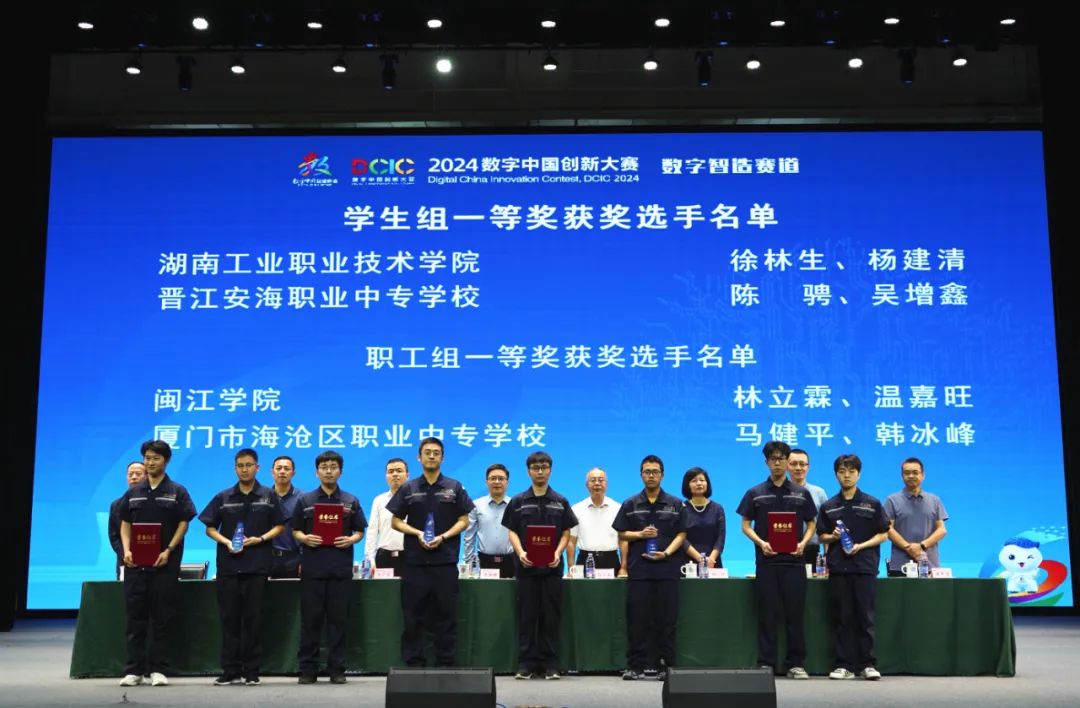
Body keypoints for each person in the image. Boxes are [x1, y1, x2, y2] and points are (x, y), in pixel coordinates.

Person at [198, 448, 286, 686]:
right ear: (235, 468)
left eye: (249, 465)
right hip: (229, 567)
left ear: (257, 467)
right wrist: (226, 542)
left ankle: (252, 670)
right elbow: (209, 527)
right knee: (229, 620)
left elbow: (280, 526)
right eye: (240, 465)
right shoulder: (223, 496)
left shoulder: (269, 495)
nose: (244, 469)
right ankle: (230, 670)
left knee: (253, 620)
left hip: (257, 567)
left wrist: (260, 539)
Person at [387, 437, 474, 667]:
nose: (432, 456)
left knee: (446, 616)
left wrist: (443, 536)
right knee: (412, 616)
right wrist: (417, 533)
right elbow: (395, 521)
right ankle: (414, 663)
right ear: (419, 457)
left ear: (442, 458)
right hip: (415, 564)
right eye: (427, 452)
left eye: (436, 452)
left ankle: (445, 663)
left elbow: (464, 520)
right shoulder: (408, 488)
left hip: (445, 563)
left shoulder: (454, 487)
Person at [117, 440, 196, 687]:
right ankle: (134, 670)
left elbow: (184, 523)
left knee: (162, 618)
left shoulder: (177, 491)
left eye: (156, 458)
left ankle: (158, 669)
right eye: (148, 458)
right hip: (135, 567)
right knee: (135, 619)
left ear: (166, 460)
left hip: (164, 566)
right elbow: (125, 523)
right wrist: (126, 550)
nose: (150, 462)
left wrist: (169, 550)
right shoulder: (133, 492)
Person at [736, 440, 817, 680]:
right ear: (767, 462)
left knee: (795, 615)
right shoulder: (755, 492)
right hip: (767, 563)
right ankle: (766, 663)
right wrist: (761, 543)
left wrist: (803, 543)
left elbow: (812, 523)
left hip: (794, 563)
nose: (778, 463)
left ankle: (796, 664)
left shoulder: (801, 493)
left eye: (782, 458)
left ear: (788, 462)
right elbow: (745, 525)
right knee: (767, 615)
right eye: (773, 459)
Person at [291, 451, 367, 684]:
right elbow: (295, 530)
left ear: (340, 471)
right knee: (310, 621)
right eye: (324, 467)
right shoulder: (305, 500)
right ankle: (308, 669)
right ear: (317, 472)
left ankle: (337, 669)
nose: (329, 471)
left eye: (333, 467)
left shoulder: (350, 500)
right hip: (312, 569)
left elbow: (360, 531)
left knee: (338, 621)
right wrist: (305, 538)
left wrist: (351, 540)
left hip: (340, 569)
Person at [502, 452, 577, 679]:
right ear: (528, 471)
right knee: (526, 617)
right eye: (536, 468)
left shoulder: (561, 501)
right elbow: (512, 531)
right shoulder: (518, 501)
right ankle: (526, 664)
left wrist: (557, 552)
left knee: (550, 617)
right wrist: (521, 552)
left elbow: (566, 532)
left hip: (552, 570)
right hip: (526, 569)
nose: (540, 471)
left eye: (544, 467)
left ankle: (550, 664)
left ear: (550, 470)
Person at [613, 455, 688, 681]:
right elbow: (621, 533)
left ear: (662, 475)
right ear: (641, 475)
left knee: (667, 620)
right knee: (637, 620)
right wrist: (640, 534)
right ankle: (635, 666)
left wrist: (666, 553)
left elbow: (682, 534)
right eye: (647, 472)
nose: (651, 475)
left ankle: (667, 666)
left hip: (667, 570)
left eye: (655, 472)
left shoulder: (675, 504)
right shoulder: (630, 504)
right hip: (640, 572)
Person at [817, 454, 890, 681]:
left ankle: (868, 664)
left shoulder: (872, 503)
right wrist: (832, 537)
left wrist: (862, 546)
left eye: (851, 471)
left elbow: (884, 534)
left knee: (865, 617)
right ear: (836, 475)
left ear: (859, 474)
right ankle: (843, 665)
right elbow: (821, 536)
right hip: (839, 569)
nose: (846, 475)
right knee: (842, 618)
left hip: (864, 568)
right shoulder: (829, 506)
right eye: (842, 471)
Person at [884, 457, 948, 576]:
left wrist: (922, 546)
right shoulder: (891, 500)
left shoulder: (935, 500)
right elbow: (888, 529)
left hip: (930, 565)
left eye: (915, 472)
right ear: (902, 476)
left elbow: (942, 530)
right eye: (907, 473)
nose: (911, 476)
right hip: (900, 565)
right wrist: (908, 547)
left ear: (923, 475)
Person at [567, 467, 625, 575]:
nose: (597, 483)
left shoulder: (618, 508)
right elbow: (571, 541)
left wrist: (624, 568)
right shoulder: (576, 509)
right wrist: (571, 568)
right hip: (584, 560)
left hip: (611, 560)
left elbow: (623, 541)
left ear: (606, 484)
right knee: (583, 587)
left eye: (601, 480)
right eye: (593, 480)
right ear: (586, 485)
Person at [463, 463, 516, 578]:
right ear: (487, 482)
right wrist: (468, 564)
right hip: (484, 561)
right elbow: (469, 537)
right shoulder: (476, 505)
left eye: (501, 478)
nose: (497, 482)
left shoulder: (515, 505)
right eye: (493, 478)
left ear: (507, 482)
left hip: (511, 561)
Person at [364, 457, 408, 576]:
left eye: (399, 471)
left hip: (410, 556)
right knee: (384, 588)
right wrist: (370, 559)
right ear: (386, 476)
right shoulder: (379, 500)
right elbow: (372, 532)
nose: (395, 474)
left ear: (407, 475)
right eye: (390, 471)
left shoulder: (414, 500)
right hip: (384, 558)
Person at [787, 448, 829, 567]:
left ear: (808, 467)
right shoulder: (779, 492)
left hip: (812, 550)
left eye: (802, 464)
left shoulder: (819, 493)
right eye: (793, 464)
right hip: (784, 550)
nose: (798, 468)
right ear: (786, 466)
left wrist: (827, 555)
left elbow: (826, 526)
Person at [679, 467, 725, 569]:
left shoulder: (717, 508)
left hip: (713, 562)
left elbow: (721, 538)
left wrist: (711, 559)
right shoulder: (681, 508)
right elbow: (681, 538)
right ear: (687, 485)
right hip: (688, 562)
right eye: (694, 481)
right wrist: (700, 558)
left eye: (702, 480)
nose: (699, 483)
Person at [108, 460, 146, 579]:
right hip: (126, 562)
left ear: (147, 476)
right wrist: (125, 554)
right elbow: (114, 536)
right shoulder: (117, 504)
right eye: (130, 474)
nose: (133, 477)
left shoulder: (154, 502)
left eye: (138, 474)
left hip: (154, 562)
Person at [269, 456, 304, 579]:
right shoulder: (263, 497)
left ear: (293, 473)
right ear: (272, 472)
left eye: (286, 468)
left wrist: (305, 559)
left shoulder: (303, 498)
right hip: (266, 558)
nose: (282, 471)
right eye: (279, 468)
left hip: (294, 559)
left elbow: (308, 530)